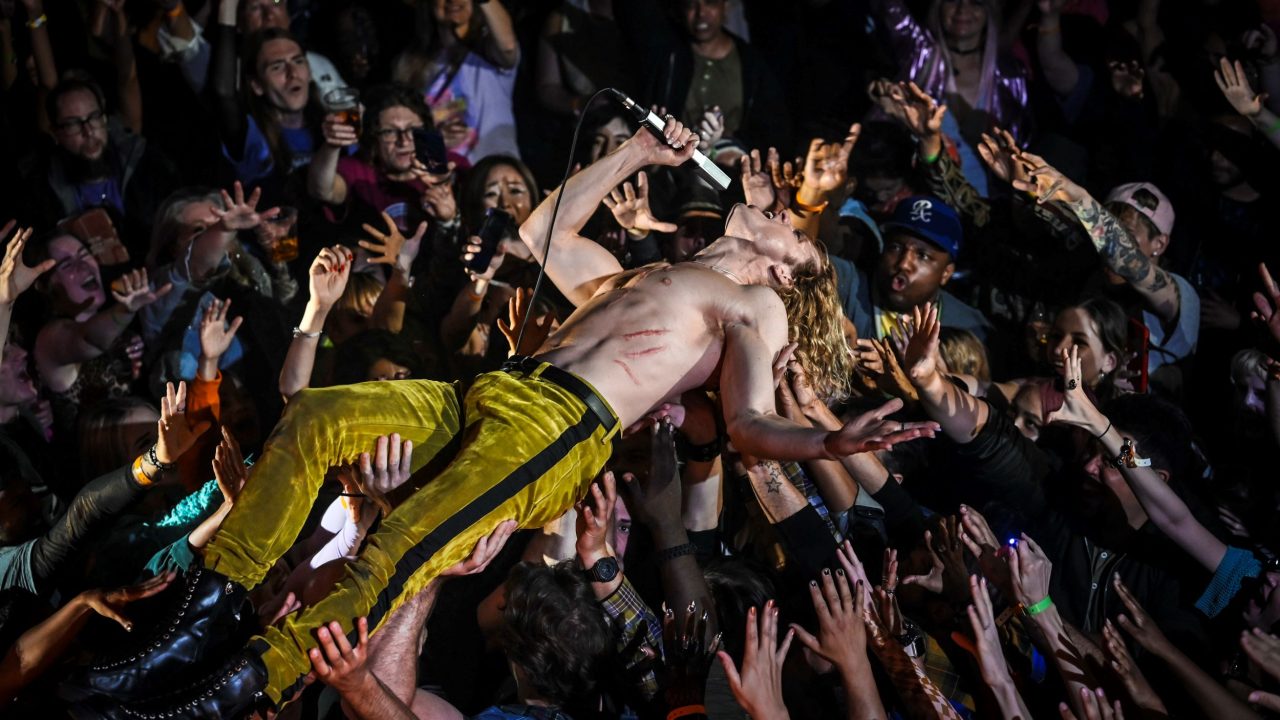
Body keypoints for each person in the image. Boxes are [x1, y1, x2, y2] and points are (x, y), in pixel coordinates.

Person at [66, 118, 938, 717]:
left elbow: (745, 423)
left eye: (798, 234)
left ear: (787, 272)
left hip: (561, 427)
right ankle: (205, 617)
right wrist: (636, 150)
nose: (787, 215)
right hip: (498, 389)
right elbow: (544, 231)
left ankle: (247, 687)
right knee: (319, 416)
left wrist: (828, 440)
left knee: (402, 541)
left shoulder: (758, 304)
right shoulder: (655, 273)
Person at [392, 0, 520, 163]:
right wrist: (436, 139)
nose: (453, 0)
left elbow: (508, 47)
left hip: (491, 173)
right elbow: (401, 138)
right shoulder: (409, 65)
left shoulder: (488, 53)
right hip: (439, 174)